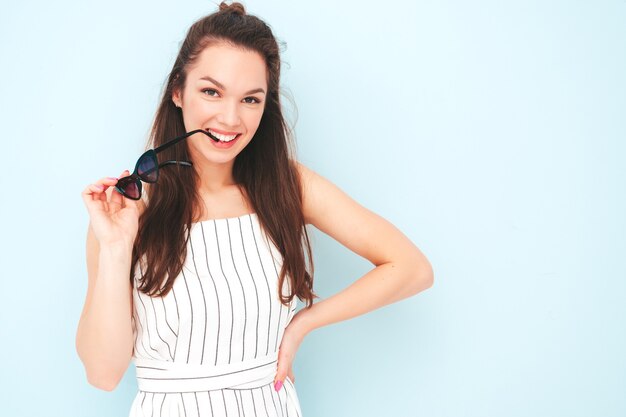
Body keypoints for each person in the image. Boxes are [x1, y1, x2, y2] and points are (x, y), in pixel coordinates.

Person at [76, 2, 434, 416]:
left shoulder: (287, 186)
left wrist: (304, 323)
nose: (230, 118)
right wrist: (117, 248)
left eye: (250, 99)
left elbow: (412, 268)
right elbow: (103, 375)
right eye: (211, 91)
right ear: (178, 91)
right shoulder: (125, 212)